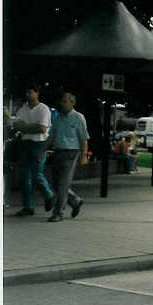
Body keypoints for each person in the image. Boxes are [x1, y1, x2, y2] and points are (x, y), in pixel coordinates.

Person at [42, 92, 89, 221]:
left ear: (72, 103)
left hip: (71, 153)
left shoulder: (79, 118)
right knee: (56, 184)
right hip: (58, 153)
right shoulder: (57, 118)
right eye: (61, 101)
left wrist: (84, 156)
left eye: (64, 101)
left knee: (63, 184)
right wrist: (43, 149)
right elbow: (51, 136)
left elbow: (84, 139)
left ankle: (58, 213)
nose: (61, 104)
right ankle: (75, 201)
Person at [12, 84, 55, 216]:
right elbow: (16, 125)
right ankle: (28, 206)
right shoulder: (23, 108)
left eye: (31, 92)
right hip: (25, 144)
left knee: (37, 174)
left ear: (37, 93)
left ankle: (49, 195)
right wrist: (29, 127)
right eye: (27, 92)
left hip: (39, 144)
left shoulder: (44, 109)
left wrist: (25, 127)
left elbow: (42, 129)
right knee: (24, 177)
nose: (28, 94)